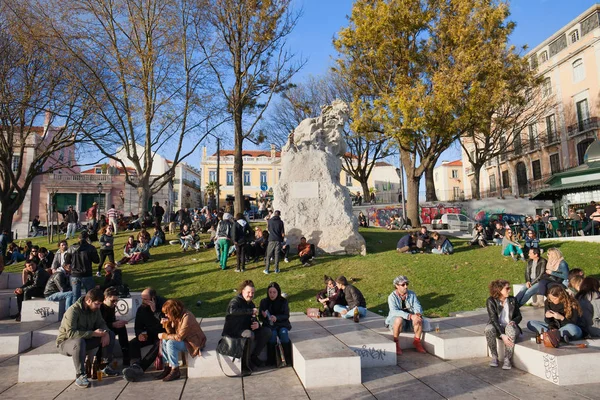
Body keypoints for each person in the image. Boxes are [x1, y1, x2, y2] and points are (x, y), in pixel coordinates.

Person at [56, 288, 118, 388]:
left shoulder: (95, 309)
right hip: (66, 343)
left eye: (100, 304)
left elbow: (101, 323)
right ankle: (80, 375)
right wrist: (93, 334)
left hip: (86, 340)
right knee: (79, 342)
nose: (99, 307)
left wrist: (105, 332)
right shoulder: (73, 311)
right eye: (97, 304)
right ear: (88, 301)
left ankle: (104, 366)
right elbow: (71, 333)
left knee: (110, 334)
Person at [222, 280, 271, 373]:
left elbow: (253, 318)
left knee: (267, 332)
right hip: (234, 330)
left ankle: (254, 356)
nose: (250, 294)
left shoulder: (251, 303)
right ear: (242, 291)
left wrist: (257, 325)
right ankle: (245, 363)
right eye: (248, 292)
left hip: (246, 328)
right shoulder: (235, 301)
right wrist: (250, 311)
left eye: (252, 293)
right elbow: (232, 311)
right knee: (249, 334)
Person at [122, 288, 167, 382]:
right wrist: (139, 334)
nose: (143, 301)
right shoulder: (142, 309)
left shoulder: (164, 305)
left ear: (153, 298)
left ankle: (140, 367)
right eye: (142, 298)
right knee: (133, 343)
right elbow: (137, 326)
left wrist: (155, 311)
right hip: (149, 334)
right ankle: (135, 365)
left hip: (163, 334)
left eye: (146, 299)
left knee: (159, 344)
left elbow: (166, 323)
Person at [155, 299, 206, 382]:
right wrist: (167, 325)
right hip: (185, 340)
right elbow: (172, 334)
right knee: (165, 341)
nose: (166, 315)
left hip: (193, 343)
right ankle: (168, 366)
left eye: (167, 313)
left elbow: (179, 337)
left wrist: (165, 335)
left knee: (170, 343)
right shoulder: (176, 316)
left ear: (173, 311)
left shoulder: (187, 316)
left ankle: (175, 370)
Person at [484, 279, 522, 370]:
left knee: (510, 328)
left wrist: (514, 321)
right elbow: (493, 319)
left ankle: (507, 359)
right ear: (499, 290)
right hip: (498, 327)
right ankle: (494, 356)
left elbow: (519, 316)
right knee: (488, 329)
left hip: (510, 327)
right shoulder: (491, 301)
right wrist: (502, 334)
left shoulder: (513, 300)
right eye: (507, 288)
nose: (509, 290)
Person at [384, 275, 426, 355]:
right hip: (395, 320)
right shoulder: (392, 297)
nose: (406, 286)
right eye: (403, 285)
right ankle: (396, 343)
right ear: (397, 286)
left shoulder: (412, 294)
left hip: (408, 320)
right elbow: (394, 311)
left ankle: (417, 342)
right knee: (399, 319)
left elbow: (417, 305)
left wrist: (417, 314)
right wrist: (410, 316)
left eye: (407, 284)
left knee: (418, 318)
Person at [259, 282, 292, 366]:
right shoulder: (264, 302)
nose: (272, 294)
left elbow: (286, 315)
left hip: (282, 324)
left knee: (284, 334)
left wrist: (277, 318)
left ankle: (287, 359)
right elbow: (260, 318)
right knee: (272, 335)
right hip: (269, 325)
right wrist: (264, 316)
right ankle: (272, 360)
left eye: (274, 292)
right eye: (270, 292)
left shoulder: (283, 301)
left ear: (278, 292)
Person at [100, 287, 130, 365]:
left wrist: (117, 322)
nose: (115, 303)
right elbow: (99, 324)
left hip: (109, 326)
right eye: (113, 301)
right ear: (105, 298)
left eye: (117, 301)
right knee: (111, 333)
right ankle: (106, 361)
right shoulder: (100, 307)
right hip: (100, 329)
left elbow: (110, 320)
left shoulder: (111, 306)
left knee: (121, 327)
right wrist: (113, 324)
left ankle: (126, 355)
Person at [69, 231, 100, 301]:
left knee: (75, 296)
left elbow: (67, 261)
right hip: (87, 273)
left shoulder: (72, 247)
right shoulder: (91, 248)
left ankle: (76, 310)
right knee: (90, 295)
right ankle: (89, 311)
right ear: (87, 238)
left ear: (78, 238)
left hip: (75, 274)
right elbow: (97, 261)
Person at [264, 210, 285, 274]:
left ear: (274, 214)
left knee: (269, 255)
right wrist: (282, 240)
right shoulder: (281, 222)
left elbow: (268, 229)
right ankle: (276, 269)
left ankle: (267, 269)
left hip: (271, 239)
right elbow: (283, 233)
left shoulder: (270, 221)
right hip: (278, 239)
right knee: (277, 255)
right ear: (279, 215)